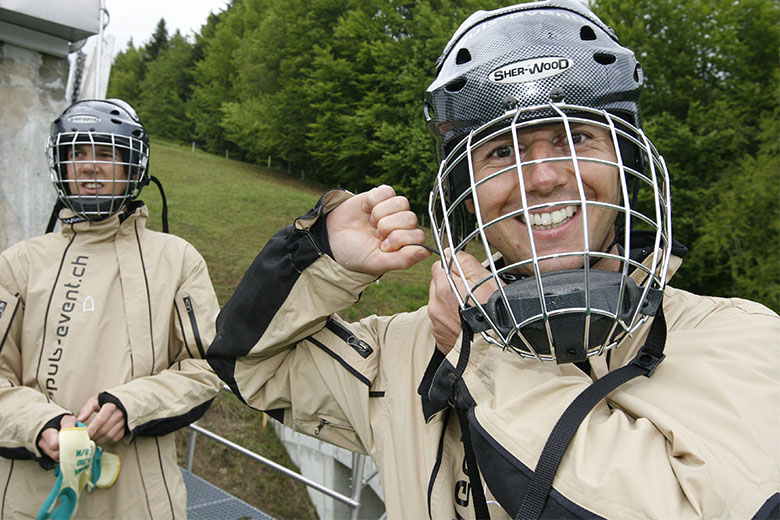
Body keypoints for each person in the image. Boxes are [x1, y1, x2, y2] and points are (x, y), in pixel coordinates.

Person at [206, 1, 780, 518]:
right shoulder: (407, 354)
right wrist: (321, 257)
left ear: (625, 162)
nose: (545, 177)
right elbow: (252, 368)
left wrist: (487, 353)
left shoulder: (741, 339)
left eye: (575, 138)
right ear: (467, 189)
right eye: (504, 152)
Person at [0, 98, 222, 518]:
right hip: (30, 500)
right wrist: (40, 426)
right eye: (76, 153)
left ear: (132, 165)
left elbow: (205, 367)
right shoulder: (17, 263)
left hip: (141, 502)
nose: (89, 166)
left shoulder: (178, 259)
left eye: (105, 152)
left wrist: (130, 407)